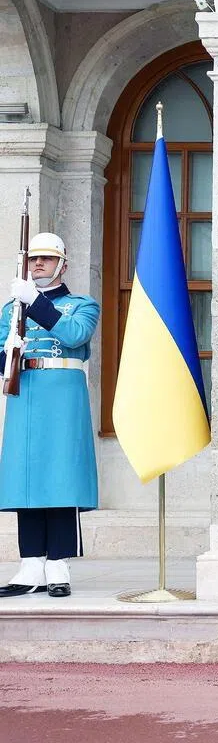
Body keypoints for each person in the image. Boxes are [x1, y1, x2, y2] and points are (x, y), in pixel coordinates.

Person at [0, 232, 100, 598]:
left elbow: (75, 335)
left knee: (61, 476)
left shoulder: (82, 304)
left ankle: (58, 565)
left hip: (62, 394)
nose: (37, 264)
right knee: (27, 477)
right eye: (33, 259)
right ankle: (30, 566)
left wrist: (37, 303)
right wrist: (8, 352)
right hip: (26, 392)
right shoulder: (11, 310)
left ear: (62, 264)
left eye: (46, 258)